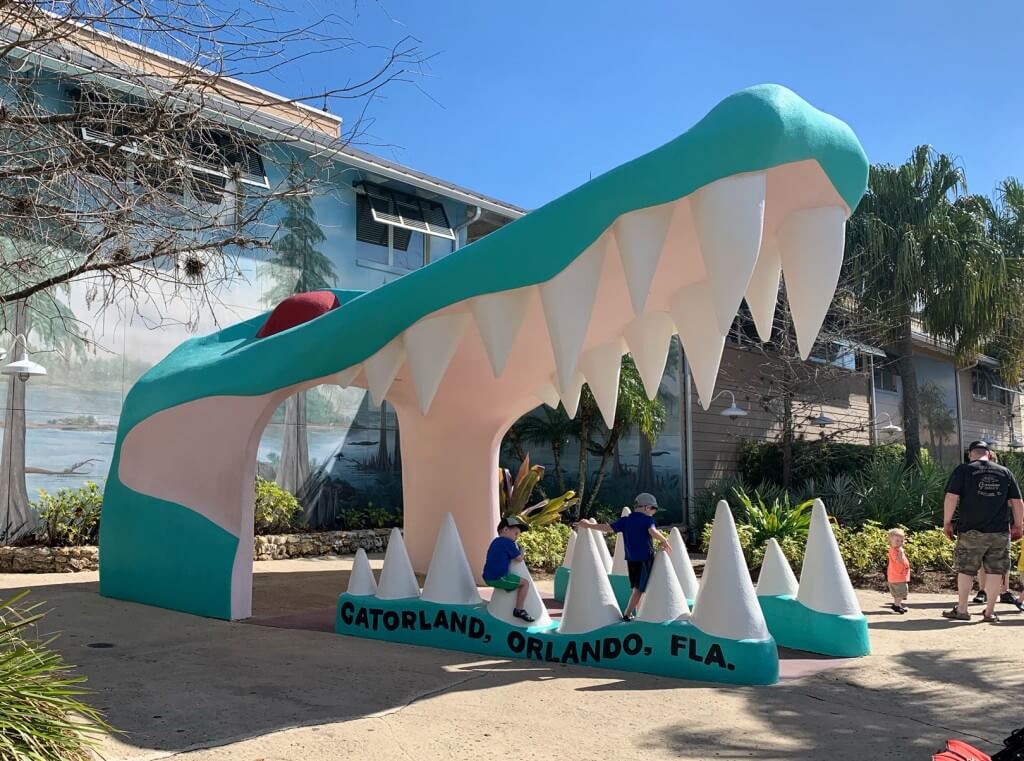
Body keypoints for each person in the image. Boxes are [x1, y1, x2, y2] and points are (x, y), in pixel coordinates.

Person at [942, 441, 1024, 623]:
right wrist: (1018, 525)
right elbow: (1018, 502)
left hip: (970, 530)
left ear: (971, 454)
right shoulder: (1004, 472)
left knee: (966, 569)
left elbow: (951, 497)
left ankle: (962, 609)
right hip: (1000, 531)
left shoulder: (963, 470)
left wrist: (947, 522)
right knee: (996, 571)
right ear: (989, 453)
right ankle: (989, 612)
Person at [575, 493, 671, 621]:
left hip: (631, 559)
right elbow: (652, 531)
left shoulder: (626, 520)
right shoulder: (647, 520)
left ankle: (637, 613)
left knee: (636, 588)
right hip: (644, 559)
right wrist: (664, 540)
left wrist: (588, 525)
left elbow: (607, 528)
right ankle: (627, 613)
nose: (654, 512)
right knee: (640, 589)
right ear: (646, 508)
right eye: (654, 509)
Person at [482, 516, 535, 622]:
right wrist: (521, 550)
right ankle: (519, 609)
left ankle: (509, 588)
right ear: (505, 529)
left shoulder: (495, 542)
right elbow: (519, 559)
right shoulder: (508, 542)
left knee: (513, 582)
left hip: (487, 577)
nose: (517, 538)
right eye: (515, 534)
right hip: (499, 577)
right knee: (525, 583)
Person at [887, 528, 910, 614]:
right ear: (890, 541)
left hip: (898, 576)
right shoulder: (893, 551)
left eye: (901, 541)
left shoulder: (896, 550)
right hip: (897, 577)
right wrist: (901, 552)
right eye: (897, 541)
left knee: (898, 593)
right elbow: (898, 560)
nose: (900, 543)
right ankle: (896, 605)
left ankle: (898, 604)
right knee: (901, 592)